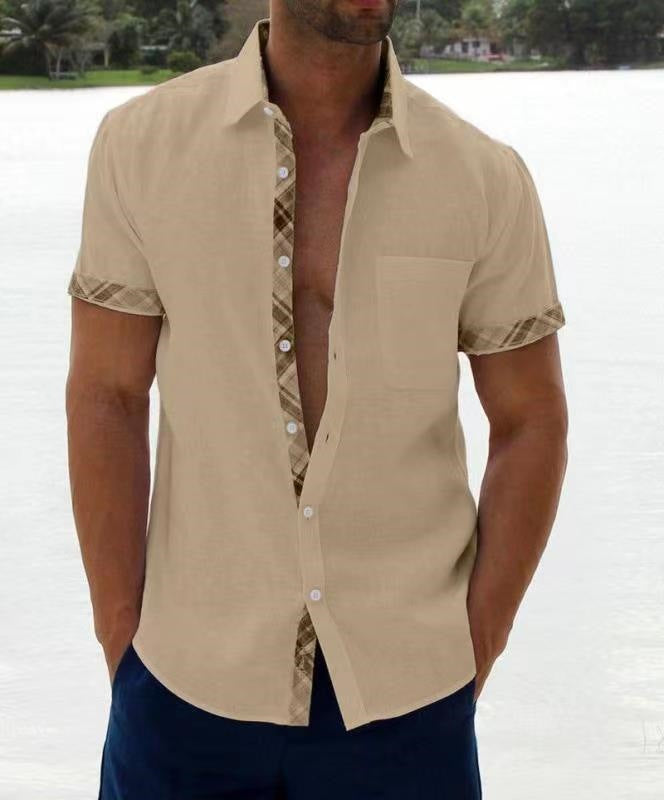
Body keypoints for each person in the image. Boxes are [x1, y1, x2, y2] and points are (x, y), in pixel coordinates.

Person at [65, 2, 568, 797]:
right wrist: (121, 637)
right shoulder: (143, 146)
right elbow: (107, 394)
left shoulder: (480, 175)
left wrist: (478, 642)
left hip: (407, 697)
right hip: (184, 683)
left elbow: (531, 419)